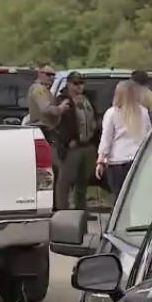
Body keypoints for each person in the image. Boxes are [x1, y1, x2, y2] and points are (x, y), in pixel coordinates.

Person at [96, 80, 151, 195]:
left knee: (119, 195)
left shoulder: (112, 113)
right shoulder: (143, 112)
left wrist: (101, 160)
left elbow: (106, 138)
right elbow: (148, 134)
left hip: (117, 160)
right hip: (138, 159)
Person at [53, 72, 96, 210]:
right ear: (69, 84)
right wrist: (67, 141)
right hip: (71, 147)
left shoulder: (87, 99)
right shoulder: (62, 100)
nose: (79, 86)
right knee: (65, 181)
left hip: (87, 144)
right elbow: (59, 124)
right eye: (75, 83)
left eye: (81, 83)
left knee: (82, 181)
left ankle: (81, 209)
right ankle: (62, 209)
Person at [27, 64, 70, 142]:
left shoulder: (45, 90)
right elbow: (46, 109)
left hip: (46, 130)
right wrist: (61, 108)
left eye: (53, 75)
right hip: (43, 130)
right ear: (40, 74)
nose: (51, 77)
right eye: (48, 74)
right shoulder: (39, 88)